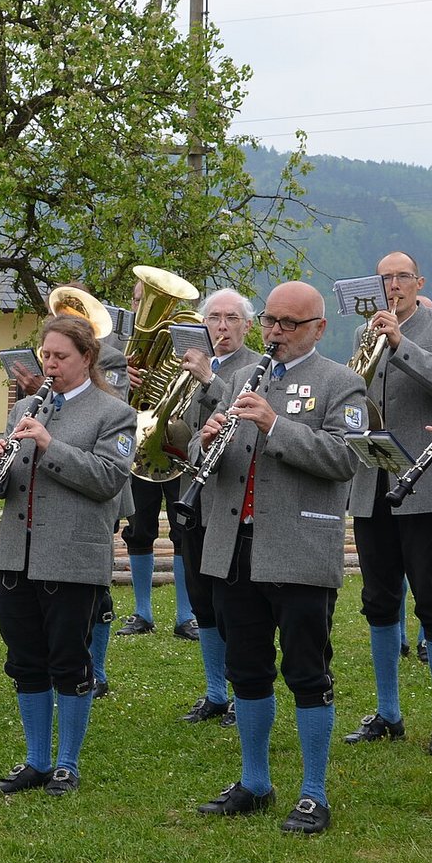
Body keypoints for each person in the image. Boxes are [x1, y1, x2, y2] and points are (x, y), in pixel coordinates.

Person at [193, 281, 366, 835]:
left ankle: (314, 792)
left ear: (318, 328)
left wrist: (274, 425)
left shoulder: (342, 382)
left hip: (299, 545)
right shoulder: (240, 377)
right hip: (234, 543)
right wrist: (207, 440)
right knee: (246, 669)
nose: (276, 332)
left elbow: (345, 459)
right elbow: (206, 451)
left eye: (289, 323)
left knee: (307, 671)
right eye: (270, 320)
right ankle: (255, 781)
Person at [0, 315, 135, 796]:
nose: (49, 365)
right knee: (24, 658)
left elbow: (108, 480)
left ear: (86, 358)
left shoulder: (114, 413)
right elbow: (14, 484)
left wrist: (49, 445)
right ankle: (36, 760)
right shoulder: (25, 407)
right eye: (45, 355)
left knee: (70, 659)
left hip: (73, 555)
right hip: (18, 552)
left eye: (60, 357)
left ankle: (67, 763)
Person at [342, 252, 432, 757]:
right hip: (372, 480)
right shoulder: (363, 331)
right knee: (377, 600)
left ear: (419, 282)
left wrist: (401, 343)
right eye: (384, 278)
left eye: (401, 277)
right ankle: (388, 711)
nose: (393, 285)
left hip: (424, 485)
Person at [175, 288, 259, 726]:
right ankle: (214, 692)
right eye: (213, 318)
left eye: (231, 318)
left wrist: (210, 379)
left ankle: (243, 691)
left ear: (248, 326)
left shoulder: (257, 367)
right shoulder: (188, 368)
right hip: (193, 493)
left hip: (232, 501)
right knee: (201, 598)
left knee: (233, 605)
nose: (221, 326)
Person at [116, 279, 197, 642]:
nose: (140, 307)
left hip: (175, 440)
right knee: (139, 528)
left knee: (183, 529)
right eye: (137, 300)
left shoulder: (185, 338)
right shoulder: (118, 349)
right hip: (138, 442)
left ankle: (186, 615)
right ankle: (142, 612)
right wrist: (123, 379)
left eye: (144, 300)